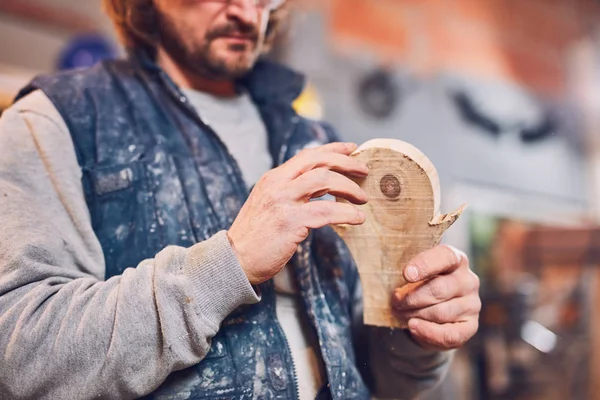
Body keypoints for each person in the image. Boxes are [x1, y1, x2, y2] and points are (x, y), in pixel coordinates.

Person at [0, 0, 481, 399]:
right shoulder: (55, 120)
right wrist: (229, 264)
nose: (249, 14)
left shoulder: (313, 138)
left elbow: (386, 380)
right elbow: (19, 357)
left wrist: (419, 329)